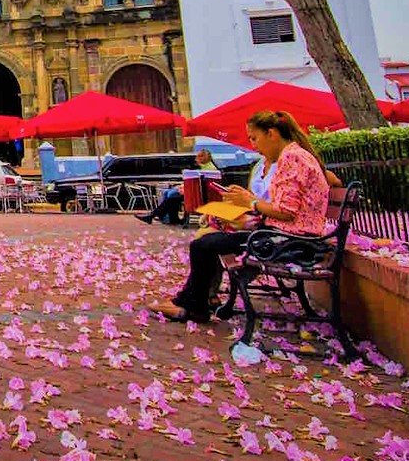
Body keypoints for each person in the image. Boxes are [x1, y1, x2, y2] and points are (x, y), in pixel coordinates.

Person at [150, 111, 331, 323]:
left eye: (254, 138)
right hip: (288, 237)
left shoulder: (292, 157)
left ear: (271, 133)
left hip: (289, 242)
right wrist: (246, 201)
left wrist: (250, 202)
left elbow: (286, 212)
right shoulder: (294, 155)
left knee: (203, 245)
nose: (253, 145)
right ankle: (189, 303)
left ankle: (193, 307)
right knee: (206, 241)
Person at [137, 148, 220, 226]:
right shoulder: (208, 167)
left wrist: (184, 188)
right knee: (172, 198)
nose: (195, 160)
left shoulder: (208, 169)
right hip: (199, 195)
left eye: (197, 157)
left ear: (202, 158)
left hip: (199, 197)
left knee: (172, 197)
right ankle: (166, 217)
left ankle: (155, 215)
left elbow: (200, 185)